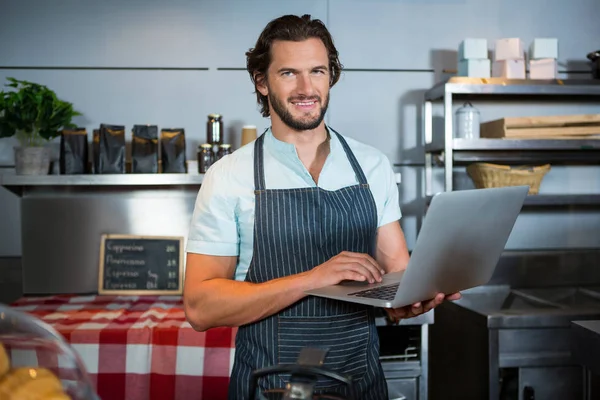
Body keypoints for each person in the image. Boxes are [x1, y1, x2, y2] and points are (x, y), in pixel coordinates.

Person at [183, 14, 461, 400]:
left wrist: (408, 299)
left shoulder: (372, 165)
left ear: (331, 75)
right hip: (271, 385)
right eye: (288, 73)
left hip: (360, 383)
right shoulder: (229, 176)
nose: (305, 87)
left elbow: (396, 268)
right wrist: (313, 278)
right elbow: (200, 307)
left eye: (317, 70)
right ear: (261, 83)